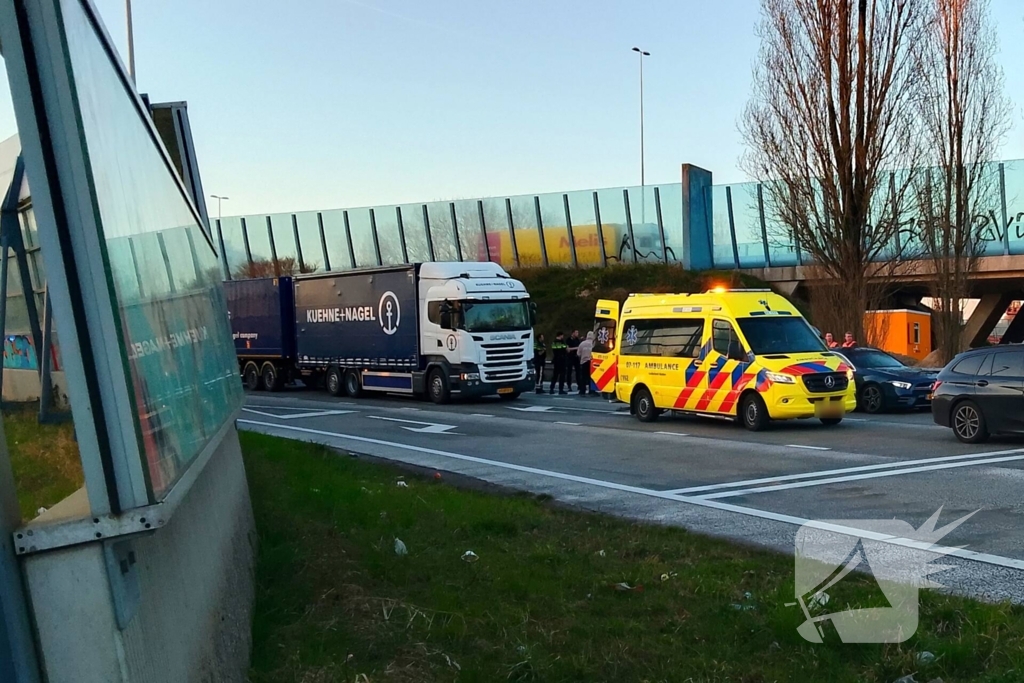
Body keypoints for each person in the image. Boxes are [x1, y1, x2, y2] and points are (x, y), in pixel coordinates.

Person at [577, 331, 594, 396]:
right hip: (591, 362)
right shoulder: (594, 344)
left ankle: (582, 390)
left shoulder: (582, 344)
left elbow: (578, 354)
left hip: (584, 362)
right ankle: (591, 390)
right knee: (591, 377)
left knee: (583, 377)